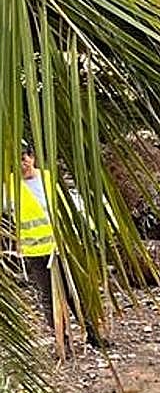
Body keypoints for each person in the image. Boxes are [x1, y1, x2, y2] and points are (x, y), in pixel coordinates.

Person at [13, 142, 103, 348]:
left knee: (75, 293)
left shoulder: (48, 179)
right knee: (49, 299)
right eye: (17, 160)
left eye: (24, 158)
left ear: (32, 157)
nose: (22, 164)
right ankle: (63, 342)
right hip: (35, 253)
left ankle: (93, 334)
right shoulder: (10, 185)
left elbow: (69, 208)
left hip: (60, 248)